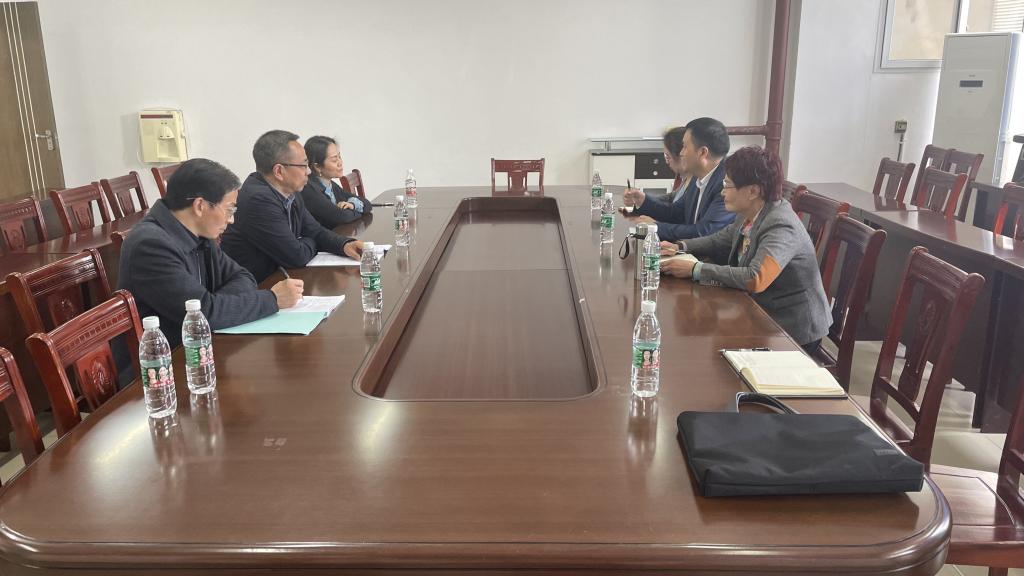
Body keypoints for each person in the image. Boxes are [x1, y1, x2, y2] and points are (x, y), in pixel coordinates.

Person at [659, 146, 831, 353]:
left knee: (704, 341)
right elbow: (723, 238)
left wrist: (695, 269)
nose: (722, 192)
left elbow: (755, 278)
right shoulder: (753, 209)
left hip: (790, 328)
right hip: (759, 310)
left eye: (727, 185)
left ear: (753, 191)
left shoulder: (781, 225)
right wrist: (680, 246)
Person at [119, 158, 304, 349]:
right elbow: (201, 315)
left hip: (199, 345)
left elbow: (243, 277)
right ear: (200, 206)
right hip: (165, 357)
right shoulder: (151, 246)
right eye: (229, 210)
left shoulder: (198, 231)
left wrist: (216, 305)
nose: (231, 220)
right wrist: (272, 299)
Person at [221, 130, 364, 282]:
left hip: (282, 278)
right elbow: (297, 256)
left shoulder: (289, 190)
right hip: (258, 285)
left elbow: (315, 231)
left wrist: (345, 245)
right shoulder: (258, 200)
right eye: (303, 165)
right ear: (279, 171)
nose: (308, 171)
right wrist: (311, 241)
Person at [623, 118, 735, 242]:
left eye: (685, 147)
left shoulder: (727, 184)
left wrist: (655, 227)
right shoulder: (698, 175)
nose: (681, 153)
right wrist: (643, 200)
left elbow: (703, 232)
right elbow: (676, 212)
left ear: (703, 152)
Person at [301, 135, 372, 229]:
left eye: (339, 156)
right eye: (334, 160)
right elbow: (342, 217)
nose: (340, 163)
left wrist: (353, 205)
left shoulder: (330, 184)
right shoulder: (308, 188)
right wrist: (359, 210)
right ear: (317, 167)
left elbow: (367, 204)